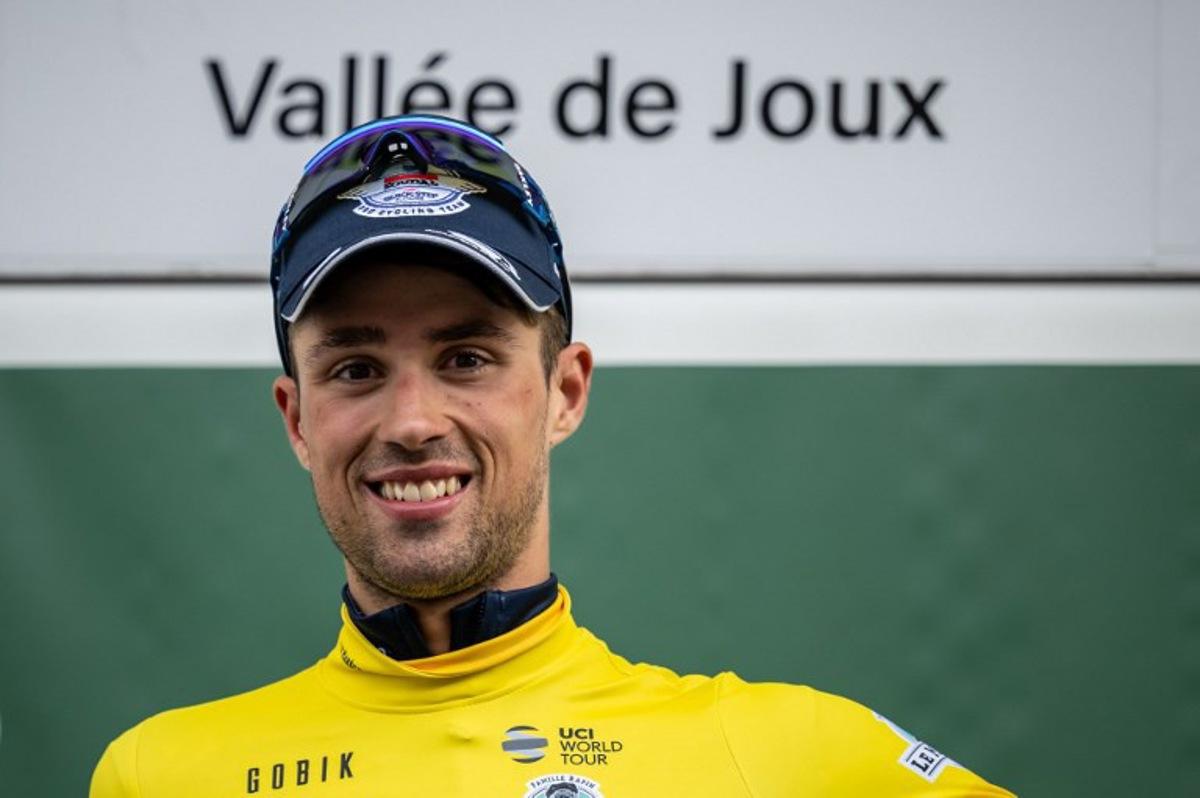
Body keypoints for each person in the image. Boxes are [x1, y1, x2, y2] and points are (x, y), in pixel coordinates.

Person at [90, 115, 1014, 797]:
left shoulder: (791, 757)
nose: (412, 421)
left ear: (565, 391)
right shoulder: (161, 774)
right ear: (298, 420)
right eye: (357, 368)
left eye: (466, 358)